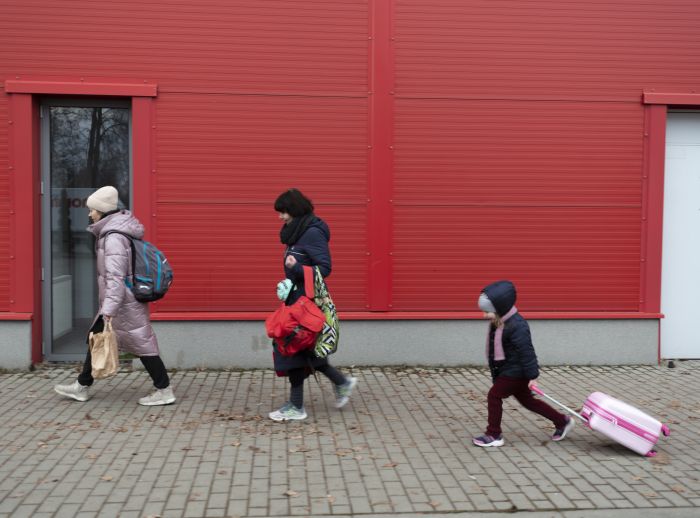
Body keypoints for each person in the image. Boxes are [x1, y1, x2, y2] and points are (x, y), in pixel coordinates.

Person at [54, 186, 176, 406]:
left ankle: (164, 390)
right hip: (120, 302)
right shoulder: (113, 234)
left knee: (143, 345)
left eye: (92, 210)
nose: (90, 214)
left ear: (102, 211)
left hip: (123, 304)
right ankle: (82, 385)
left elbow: (115, 279)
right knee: (97, 340)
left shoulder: (113, 238)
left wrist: (107, 312)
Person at [269, 188, 356, 421]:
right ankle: (342, 382)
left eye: (283, 212)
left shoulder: (312, 233)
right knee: (306, 351)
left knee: (291, 347)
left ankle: (296, 406)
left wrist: (296, 269)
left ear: (294, 210)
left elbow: (324, 268)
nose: (280, 217)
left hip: (305, 304)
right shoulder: (295, 232)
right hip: (295, 299)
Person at [472, 280, 573, 447]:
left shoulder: (517, 326)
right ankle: (562, 421)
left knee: (494, 396)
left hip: (516, 371)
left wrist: (533, 376)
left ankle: (494, 434)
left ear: (499, 309)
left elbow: (527, 352)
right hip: (509, 369)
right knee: (528, 401)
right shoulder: (500, 321)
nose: (484, 315)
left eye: (487, 312)